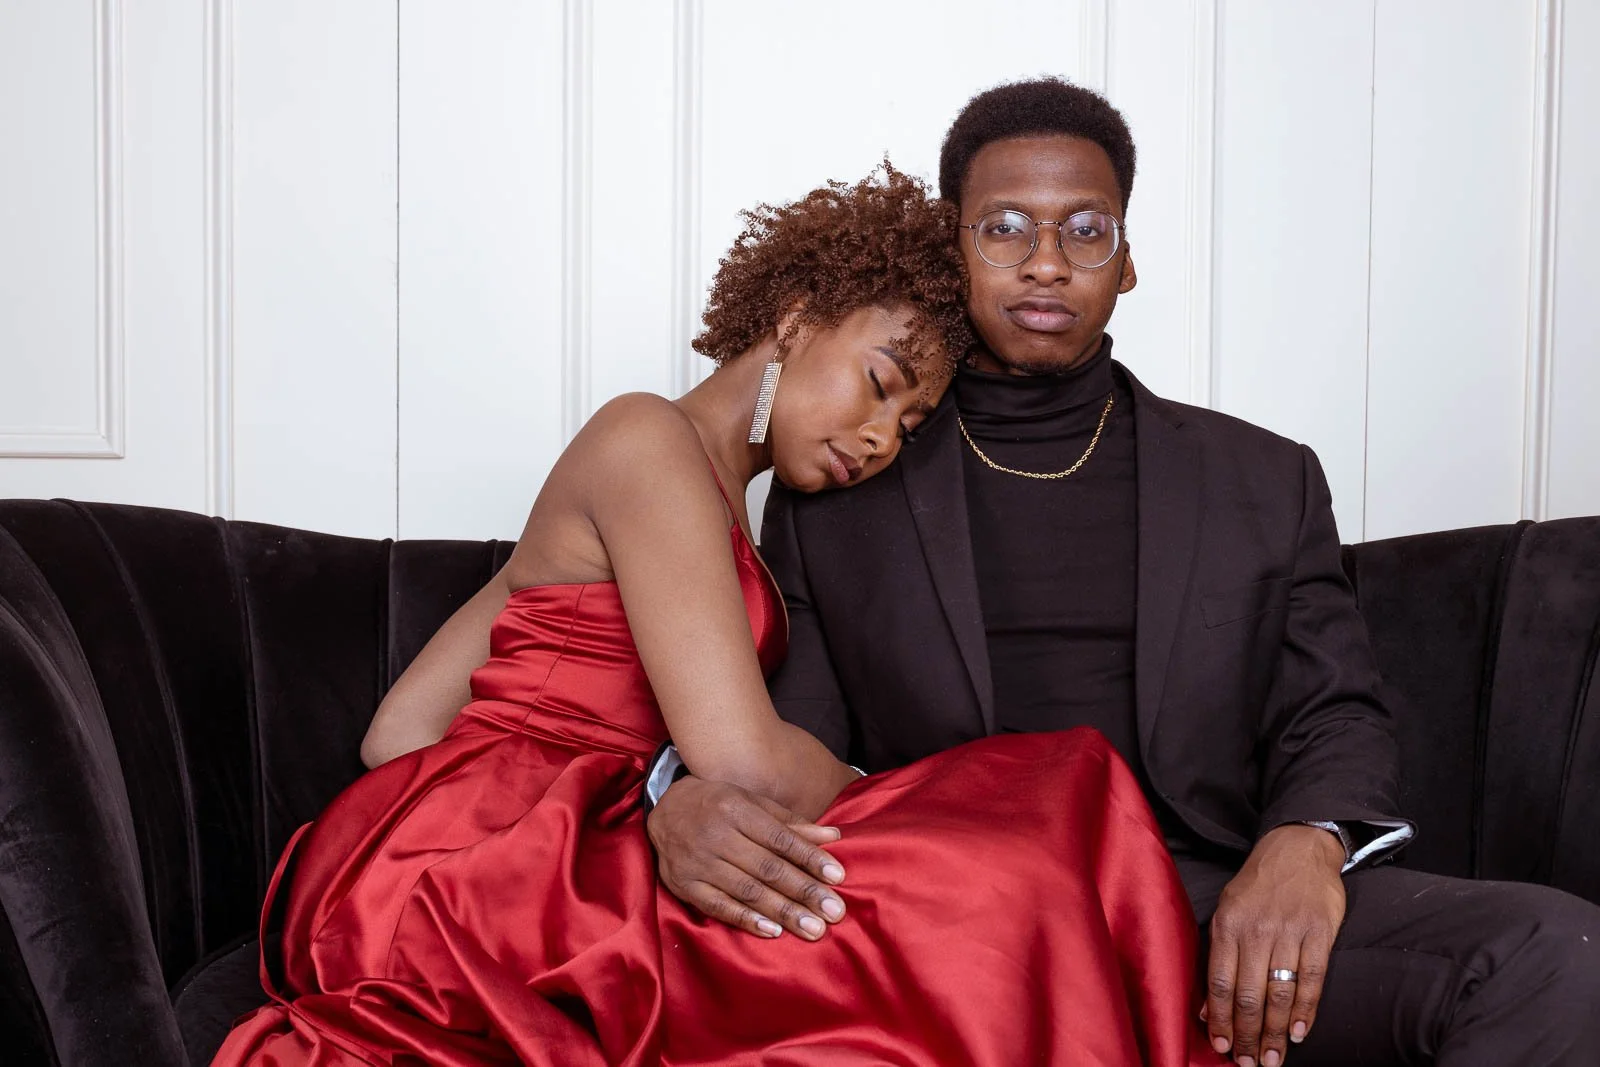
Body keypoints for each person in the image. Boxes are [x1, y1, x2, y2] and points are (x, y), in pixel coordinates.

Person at [642, 80, 1600, 1067]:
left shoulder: (1260, 477)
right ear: (951, 248)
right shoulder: (850, 480)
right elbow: (793, 736)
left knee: (1548, 954)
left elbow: (1333, 707)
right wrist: (685, 795)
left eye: (1085, 228)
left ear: (1127, 258)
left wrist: (1305, 841)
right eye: (1005, 227)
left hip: (1213, 904)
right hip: (965, 908)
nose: (1046, 261)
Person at [215, 165, 1228, 1066]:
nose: (879, 438)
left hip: (484, 846)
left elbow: (398, 729)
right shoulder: (644, 437)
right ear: (793, 316)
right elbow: (739, 759)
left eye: (909, 424)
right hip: (489, 866)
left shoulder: (712, 507)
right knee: (1039, 804)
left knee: (1026, 828)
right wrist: (902, 797)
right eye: (878, 384)